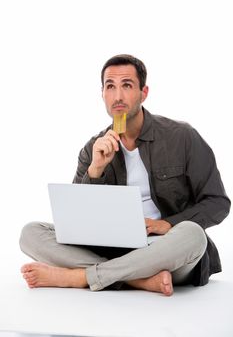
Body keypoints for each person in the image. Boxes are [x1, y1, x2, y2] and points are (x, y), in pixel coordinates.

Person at [20, 54, 230, 296]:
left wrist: (167, 225)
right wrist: (95, 170)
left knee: (194, 235)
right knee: (30, 233)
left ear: (144, 92)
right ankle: (138, 280)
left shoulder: (182, 137)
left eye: (127, 85)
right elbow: (76, 222)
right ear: (103, 94)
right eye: (110, 86)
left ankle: (82, 276)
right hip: (112, 249)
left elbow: (218, 203)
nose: (118, 96)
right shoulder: (92, 149)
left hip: (166, 252)